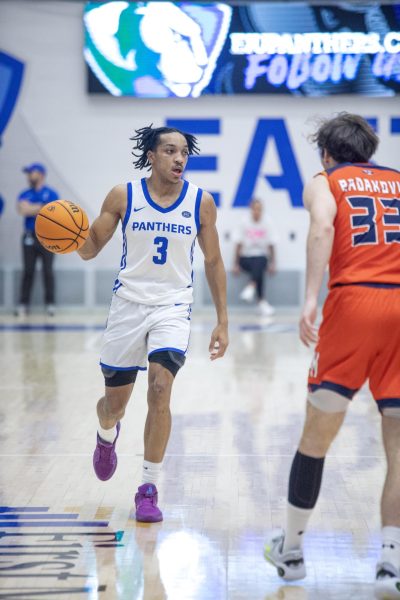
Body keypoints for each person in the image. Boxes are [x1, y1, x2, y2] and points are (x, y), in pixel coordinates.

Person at [263, 113, 400, 599]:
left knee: (317, 435)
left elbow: (322, 228)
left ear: (326, 153)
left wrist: (308, 299)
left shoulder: (326, 180)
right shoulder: (398, 181)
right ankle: (390, 561)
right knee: (398, 446)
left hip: (353, 303)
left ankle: (294, 551)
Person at [78, 125, 228, 523]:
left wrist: (222, 321)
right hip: (128, 305)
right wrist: (73, 237)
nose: (179, 159)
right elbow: (91, 250)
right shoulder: (123, 195)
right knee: (114, 406)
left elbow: (213, 261)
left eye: (184, 153)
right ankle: (106, 434)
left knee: (160, 388)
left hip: (173, 306)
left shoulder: (201, 202)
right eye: (169, 151)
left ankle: (148, 488)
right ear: (151, 155)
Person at [15, 163, 59, 317]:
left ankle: (50, 304)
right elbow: (22, 209)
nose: (28, 176)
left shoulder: (52, 193)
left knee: (48, 271)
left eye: (30, 172)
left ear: (41, 174)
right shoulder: (24, 193)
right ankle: (23, 304)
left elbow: (54, 213)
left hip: (47, 237)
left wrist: (32, 208)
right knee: (28, 271)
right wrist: (42, 207)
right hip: (29, 236)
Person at [233, 198, 277, 316]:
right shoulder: (244, 222)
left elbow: (271, 245)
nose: (257, 212)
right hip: (245, 258)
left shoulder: (267, 222)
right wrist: (236, 264)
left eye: (259, 209)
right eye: (255, 209)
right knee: (258, 267)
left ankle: (252, 289)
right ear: (251, 210)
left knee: (260, 261)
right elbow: (238, 244)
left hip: (261, 257)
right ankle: (260, 300)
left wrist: (273, 263)